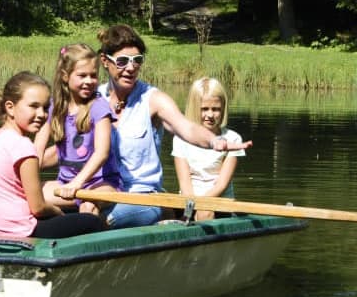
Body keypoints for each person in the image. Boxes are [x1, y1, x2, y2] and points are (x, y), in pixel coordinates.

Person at [97, 24, 252, 228]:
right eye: (123, 61)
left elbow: (186, 128)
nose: (131, 67)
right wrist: (39, 156)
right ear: (105, 61)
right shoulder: (95, 98)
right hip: (104, 192)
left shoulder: (152, 99)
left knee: (99, 222)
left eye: (138, 61)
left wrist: (215, 141)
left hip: (143, 198)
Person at [0, 71, 105, 239]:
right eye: (33, 106)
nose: (42, 114)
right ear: (10, 107)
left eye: (46, 107)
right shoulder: (24, 146)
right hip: (21, 231)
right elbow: (38, 207)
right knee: (93, 222)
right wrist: (58, 212)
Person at [37, 43, 121, 215]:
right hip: (65, 183)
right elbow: (37, 149)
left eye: (93, 76)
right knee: (27, 194)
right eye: (82, 76)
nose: (89, 81)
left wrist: (77, 183)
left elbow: (102, 153)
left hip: (101, 185)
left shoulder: (99, 107)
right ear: (65, 76)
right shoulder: (54, 107)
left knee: (87, 207)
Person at [172, 77, 245, 220]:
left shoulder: (233, 139)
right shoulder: (180, 138)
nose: (210, 115)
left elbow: (221, 185)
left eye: (216, 109)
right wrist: (192, 206)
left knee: (205, 213)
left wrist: (202, 205)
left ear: (223, 108)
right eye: (204, 109)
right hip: (188, 202)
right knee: (159, 211)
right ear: (194, 108)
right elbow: (185, 182)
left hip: (218, 203)